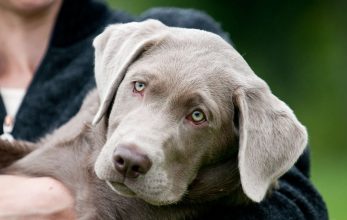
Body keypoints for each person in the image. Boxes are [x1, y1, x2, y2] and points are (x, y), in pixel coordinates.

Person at [0, 0, 328, 219]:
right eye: (139, 87)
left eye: (197, 115)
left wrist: (59, 202)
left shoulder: (179, 39)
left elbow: (299, 207)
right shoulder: (124, 54)